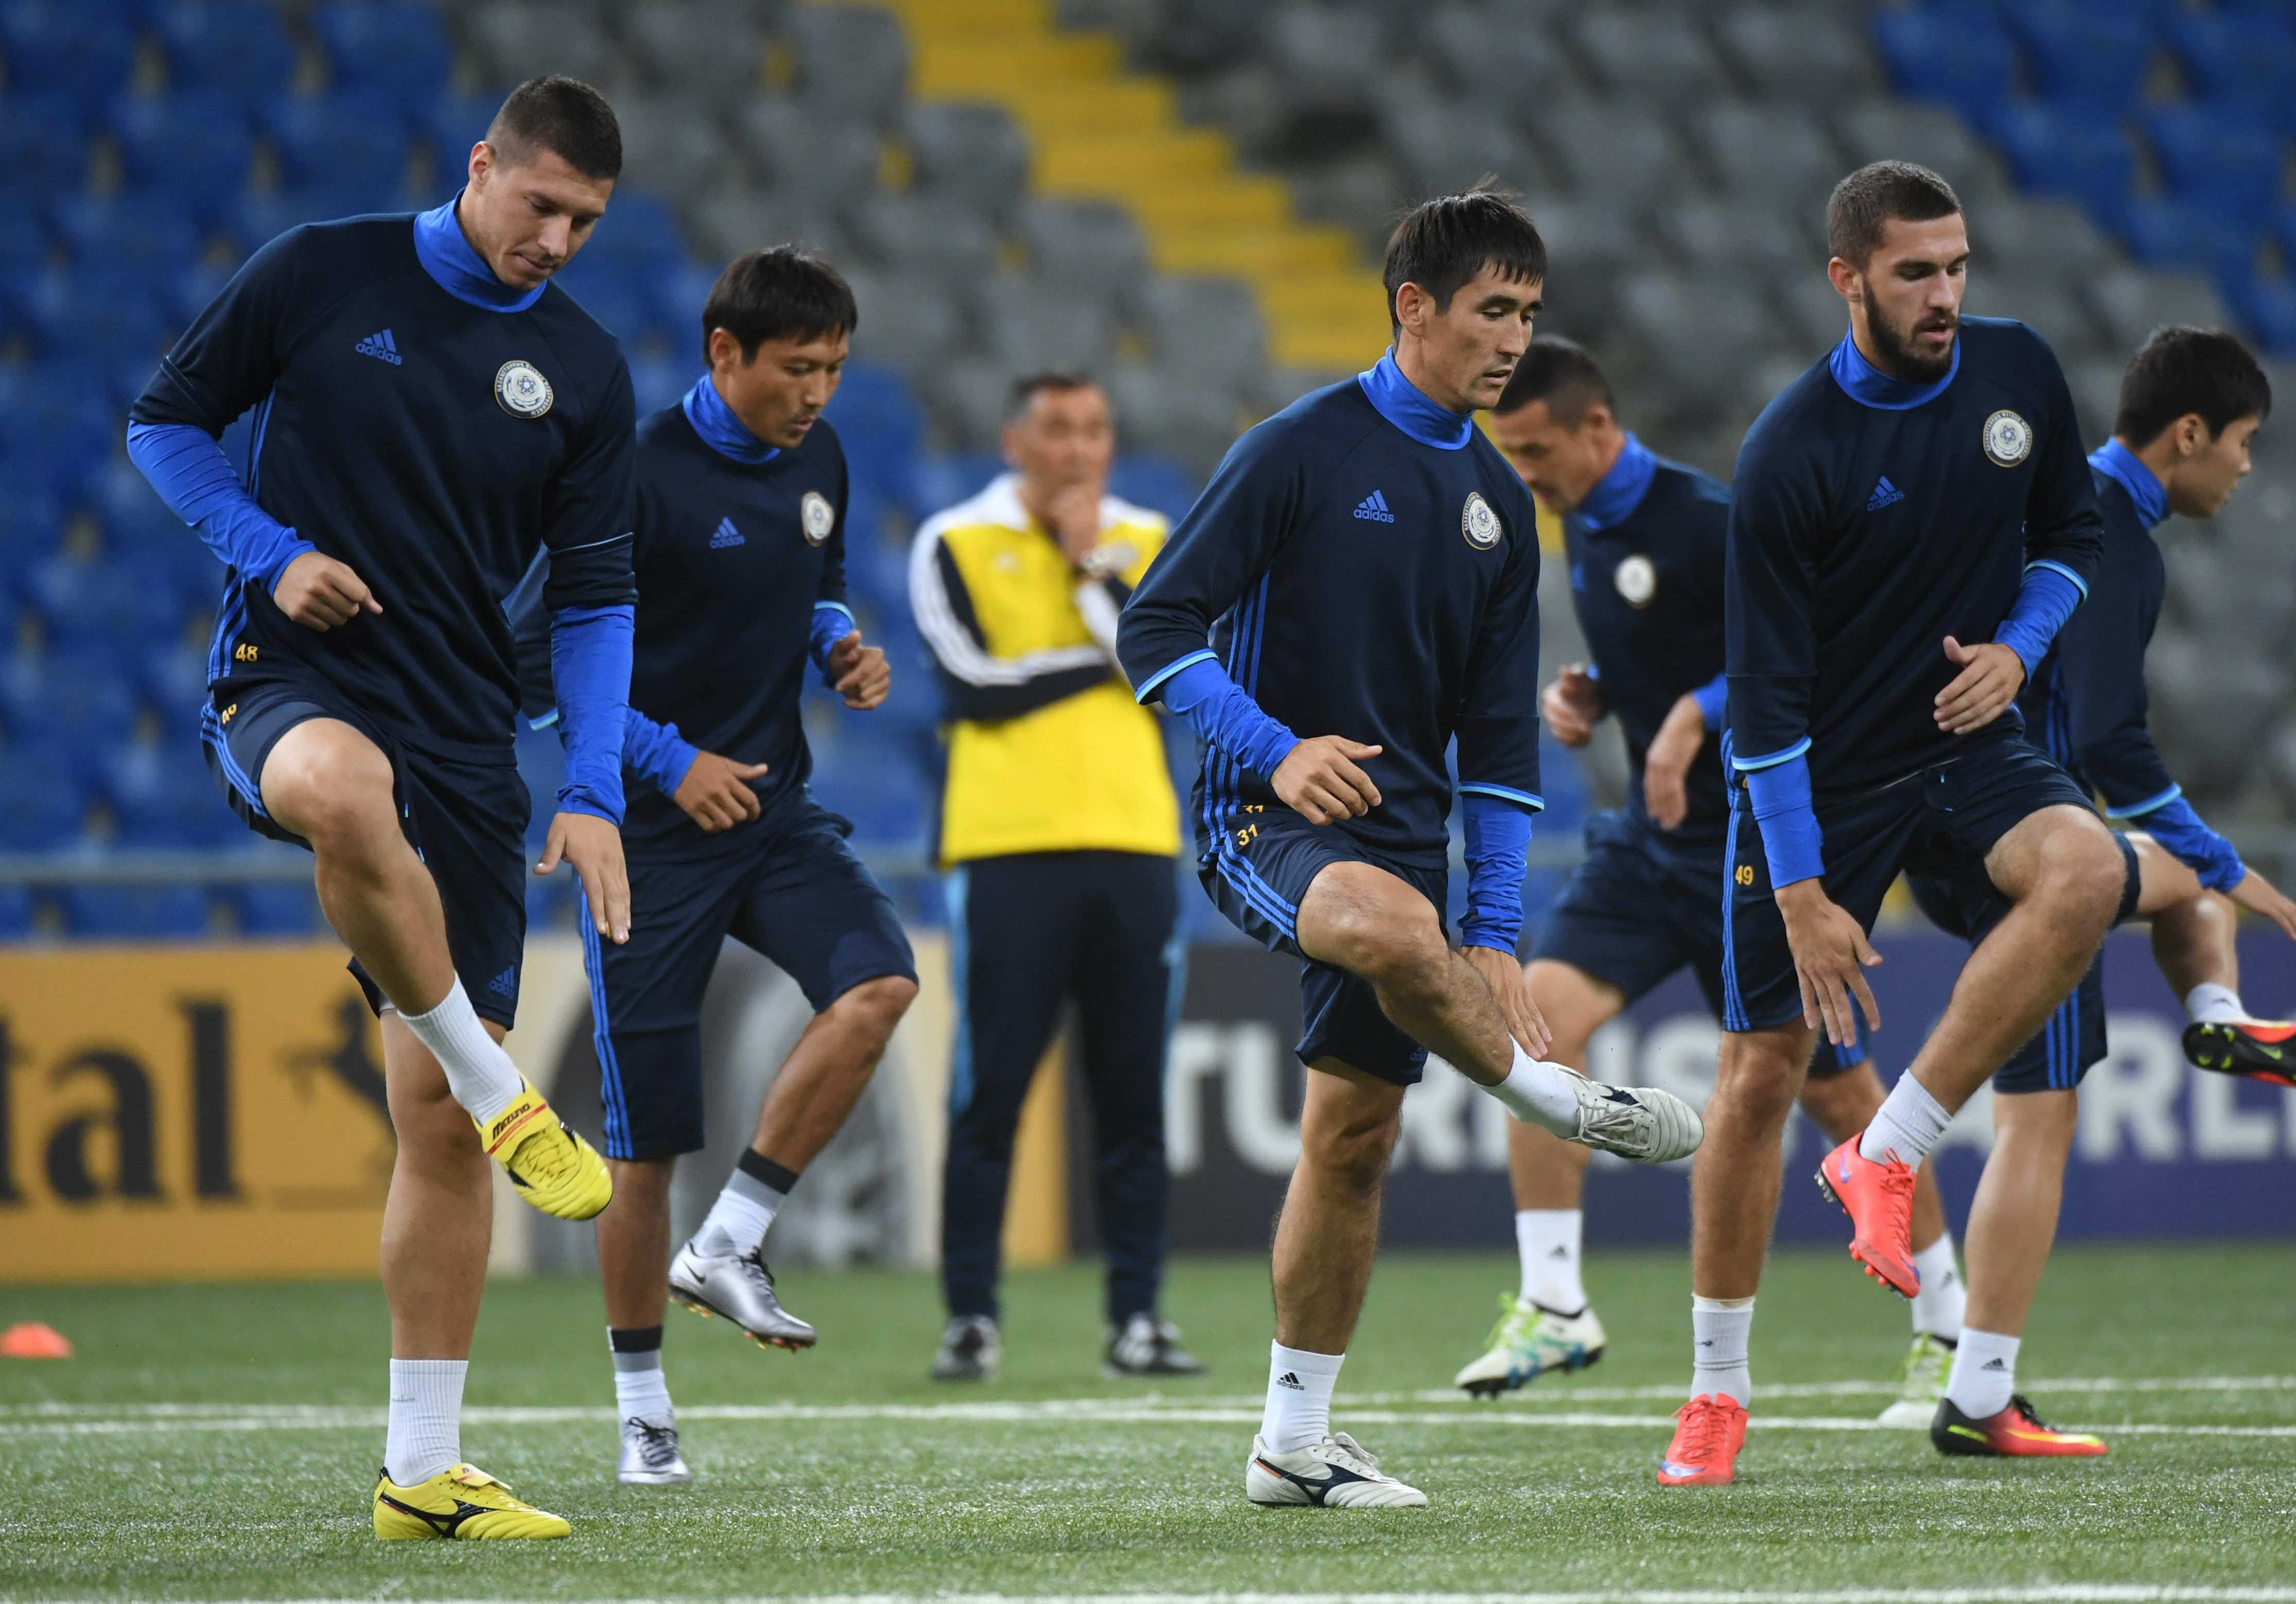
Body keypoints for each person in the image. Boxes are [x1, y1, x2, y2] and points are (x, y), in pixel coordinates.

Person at [1116, 189, 1702, 1512]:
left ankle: (1292, 1444)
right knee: (1387, 932)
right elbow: (1154, 630)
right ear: (1413, 308)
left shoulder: (1497, 500)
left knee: (1353, 1137)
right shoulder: (1295, 448)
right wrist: (1270, 749)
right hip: (1265, 813)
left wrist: (1492, 934)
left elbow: (1500, 756)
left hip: (1407, 845)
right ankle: (1559, 1103)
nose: (1512, 338)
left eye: (1529, 315)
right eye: (1492, 310)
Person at [127, 78, 638, 1538]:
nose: (556, 238)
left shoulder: (586, 372)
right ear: (479, 169)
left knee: (421, 1116)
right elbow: (165, 424)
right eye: (537, 204)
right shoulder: (318, 269)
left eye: (585, 222)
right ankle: (502, 1086)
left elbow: (597, 599)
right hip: (285, 675)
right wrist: (270, 550)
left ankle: (421, 1473)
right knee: (342, 795)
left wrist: (591, 786)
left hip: (470, 738)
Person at [1663, 160, 2127, 1489]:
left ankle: (1889, 1150)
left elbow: (2068, 538)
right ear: (1846, 279)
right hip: (1828, 770)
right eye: (1914, 272)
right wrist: (1803, 891)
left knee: (2085, 869)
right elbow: (1762, 703)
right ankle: (1713, 1393)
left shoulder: (2017, 371)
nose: (1944, 294)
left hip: (1969, 743)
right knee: (1758, 1072)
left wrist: (2018, 649)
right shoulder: (1789, 451)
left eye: (1957, 266)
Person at [1458, 335, 1969, 1426]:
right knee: (1534, 1018)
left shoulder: (1701, 520)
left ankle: (1946, 1330)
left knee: (1838, 1098)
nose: (1525, 473)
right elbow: (1668, 645)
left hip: (1751, 848)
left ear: (1598, 427)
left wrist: (1695, 713)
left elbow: (1802, 650)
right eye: (1511, 453)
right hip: (1651, 845)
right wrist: (1599, 691)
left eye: (1537, 449)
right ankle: (1553, 1299)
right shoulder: (1582, 522)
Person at [1903, 325, 2296, 1459]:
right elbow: (2108, 733)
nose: (2247, 469)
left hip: (1945, 814)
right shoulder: (2109, 528)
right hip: (2024, 834)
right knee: (2041, 1115)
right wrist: (2218, 854)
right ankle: (1979, 1395)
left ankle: (2216, 1016)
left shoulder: (2044, 500)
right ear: (2189, 434)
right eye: (2244, 444)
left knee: (2178, 889)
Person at [514, 246, 921, 1488]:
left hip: (769, 813)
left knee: (880, 984)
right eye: (797, 369)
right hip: (644, 837)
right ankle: (643, 1410)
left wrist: (839, 641)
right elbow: (537, 665)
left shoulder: (823, 458)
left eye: (836, 370)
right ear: (723, 354)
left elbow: (817, 577)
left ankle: (732, 1237)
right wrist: (666, 757)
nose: (818, 394)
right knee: (642, 1145)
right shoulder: (629, 476)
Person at [908, 372, 1201, 1384]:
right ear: (1014, 440)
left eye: (1095, 428)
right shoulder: (953, 539)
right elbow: (973, 688)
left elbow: (1175, 676)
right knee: (988, 1094)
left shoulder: (1148, 536)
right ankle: (970, 1318)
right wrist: (1109, 653)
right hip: (1004, 849)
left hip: (1134, 844)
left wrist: (1088, 580)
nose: (1080, 448)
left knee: (1133, 1100)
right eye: (1059, 429)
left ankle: (1137, 1319)